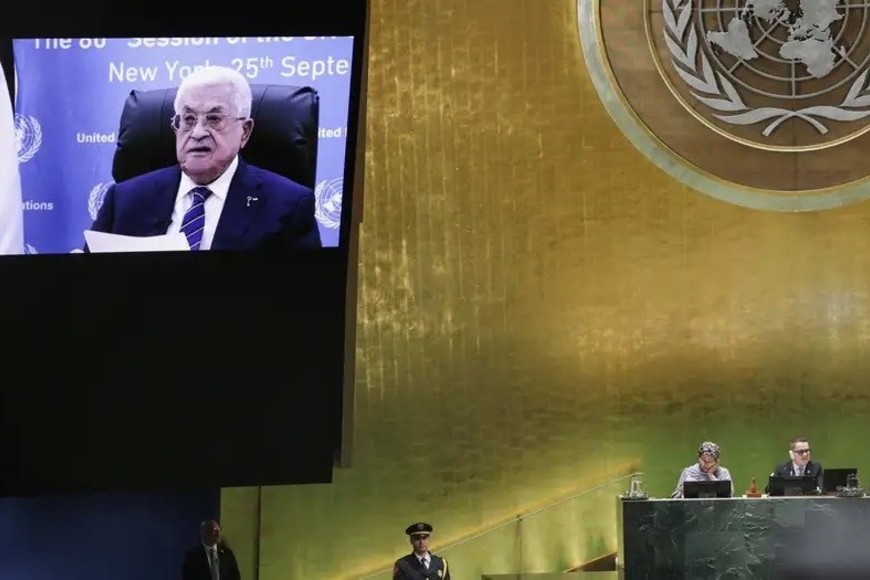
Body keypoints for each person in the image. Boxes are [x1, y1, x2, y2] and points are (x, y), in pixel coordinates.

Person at [88, 65, 321, 252]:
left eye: (214, 119)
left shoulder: (289, 206)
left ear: (245, 131)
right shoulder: (123, 201)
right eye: (188, 119)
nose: (198, 133)